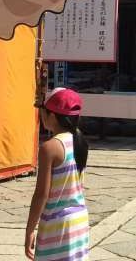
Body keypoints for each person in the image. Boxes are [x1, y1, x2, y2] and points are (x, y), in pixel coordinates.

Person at [26, 88, 89, 260]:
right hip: (79, 221)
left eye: (43, 111)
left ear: (52, 116)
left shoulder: (50, 148)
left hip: (58, 225)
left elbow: (41, 195)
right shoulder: (80, 140)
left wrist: (30, 229)